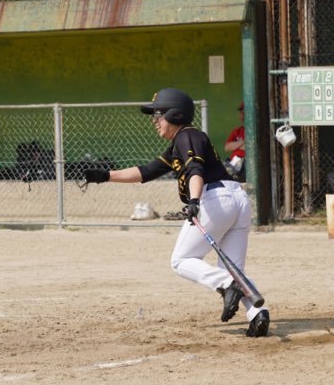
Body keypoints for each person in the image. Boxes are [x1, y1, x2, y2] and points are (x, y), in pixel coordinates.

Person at [83, 88, 269, 337]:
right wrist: (105, 176)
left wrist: (193, 200)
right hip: (235, 198)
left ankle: (226, 285)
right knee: (233, 267)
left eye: (158, 115)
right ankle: (258, 314)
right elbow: (146, 172)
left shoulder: (187, 136)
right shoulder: (178, 146)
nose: (154, 120)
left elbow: (195, 170)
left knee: (181, 261)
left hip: (215, 198)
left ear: (175, 115)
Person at [224, 101, 246, 182]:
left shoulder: (253, 130)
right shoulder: (237, 130)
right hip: (233, 162)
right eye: (241, 111)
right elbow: (227, 147)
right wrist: (242, 142)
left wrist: (236, 145)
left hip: (245, 162)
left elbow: (249, 147)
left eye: (244, 111)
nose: (242, 113)